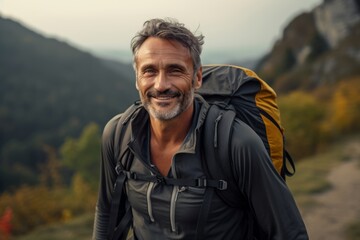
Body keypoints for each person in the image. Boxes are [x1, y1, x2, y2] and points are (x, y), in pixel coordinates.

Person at [92, 18, 308, 240]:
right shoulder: (118, 135)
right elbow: (107, 212)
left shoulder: (235, 143)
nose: (161, 85)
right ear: (137, 79)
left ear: (197, 78)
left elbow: (289, 233)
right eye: (149, 71)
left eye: (175, 70)